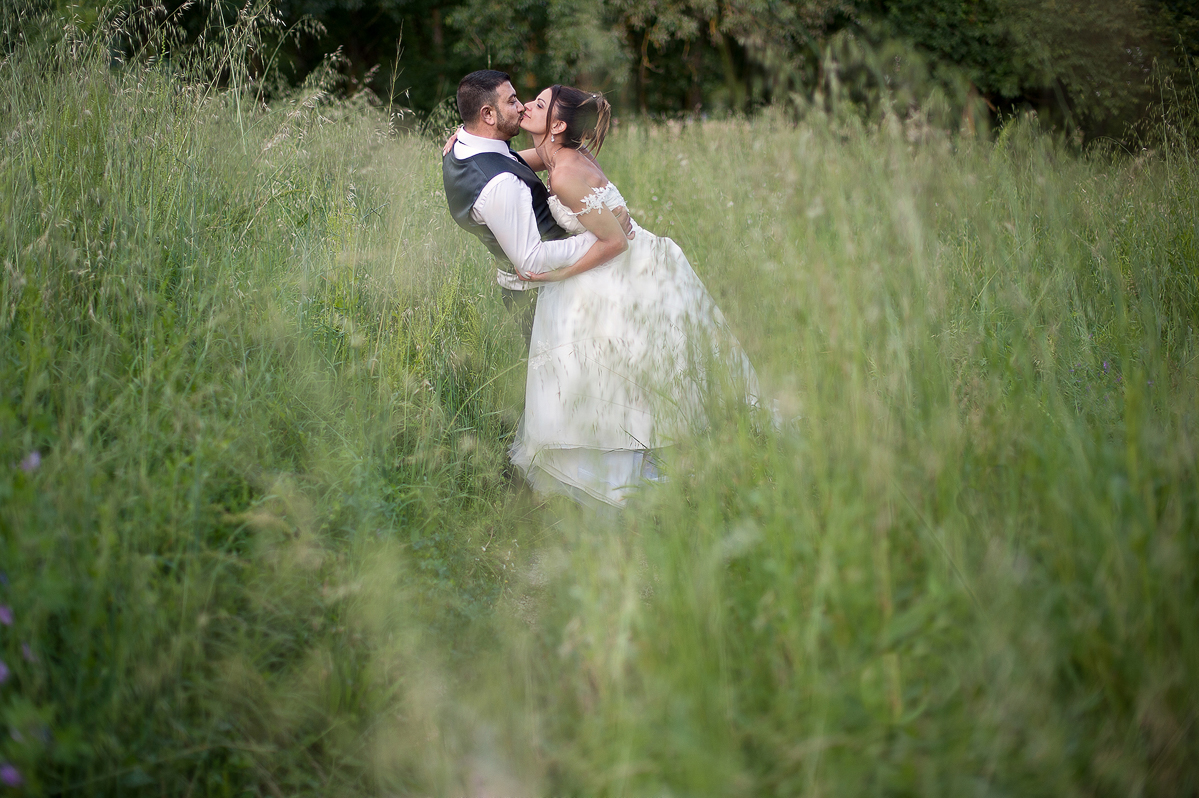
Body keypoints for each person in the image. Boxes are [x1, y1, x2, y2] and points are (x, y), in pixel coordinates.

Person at [508, 84, 762, 508]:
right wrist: (465, 143)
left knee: (625, 369)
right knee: (623, 367)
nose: (528, 108)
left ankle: (638, 461)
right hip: (628, 256)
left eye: (538, 104)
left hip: (629, 266)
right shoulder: (556, 153)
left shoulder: (567, 173)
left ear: (557, 124)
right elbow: (510, 160)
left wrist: (556, 275)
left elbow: (614, 243)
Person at [441, 70, 632, 342]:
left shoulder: (466, 150)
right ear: (487, 115)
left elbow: (522, 159)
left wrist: (463, 133)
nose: (523, 107)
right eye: (512, 101)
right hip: (535, 290)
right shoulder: (501, 181)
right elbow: (530, 261)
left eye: (535, 104)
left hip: (587, 273)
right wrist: (603, 234)